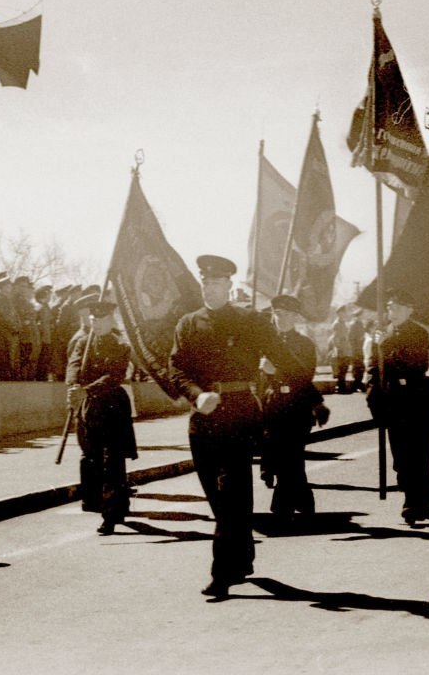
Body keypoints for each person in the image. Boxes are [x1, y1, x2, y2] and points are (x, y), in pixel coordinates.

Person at [168, 254, 286, 598]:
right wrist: (195, 394)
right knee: (218, 498)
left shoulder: (251, 320)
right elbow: (175, 369)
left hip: (239, 413)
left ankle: (223, 573)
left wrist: (278, 371)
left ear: (229, 286)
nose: (210, 288)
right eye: (205, 282)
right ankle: (243, 550)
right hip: (203, 418)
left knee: (232, 492)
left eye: (217, 282)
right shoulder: (188, 324)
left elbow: (283, 356)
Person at [367, 289, 429, 526]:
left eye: (399, 307)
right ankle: (428, 497)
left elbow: (416, 363)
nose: (393, 310)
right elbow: (374, 365)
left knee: (417, 454)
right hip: (392, 401)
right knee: (400, 457)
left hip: (417, 399)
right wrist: (372, 394)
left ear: (410, 310)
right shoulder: (383, 333)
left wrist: (385, 345)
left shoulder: (418, 333)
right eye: (391, 306)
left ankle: (413, 503)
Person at [66, 297, 137, 535]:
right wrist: (73, 386)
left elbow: (113, 376)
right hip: (88, 408)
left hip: (112, 408)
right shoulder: (82, 342)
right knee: (92, 456)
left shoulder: (120, 345)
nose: (95, 323)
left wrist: (86, 389)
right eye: (93, 319)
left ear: (111, 320)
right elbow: (73, 365)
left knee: (112, 462)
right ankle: (100, 501)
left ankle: (111, 515)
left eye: (101, 319)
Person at [259, 294, 328, 523]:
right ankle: (304, 499)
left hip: (297, 406)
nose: (281, 319)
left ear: (296, 317)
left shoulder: (305, 344)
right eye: (277, 314)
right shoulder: (265, 343)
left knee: (292, 457)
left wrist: (274, 371)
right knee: (286, 458)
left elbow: (304, 376)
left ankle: (283, 506)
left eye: (286, 314)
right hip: (273, 406)